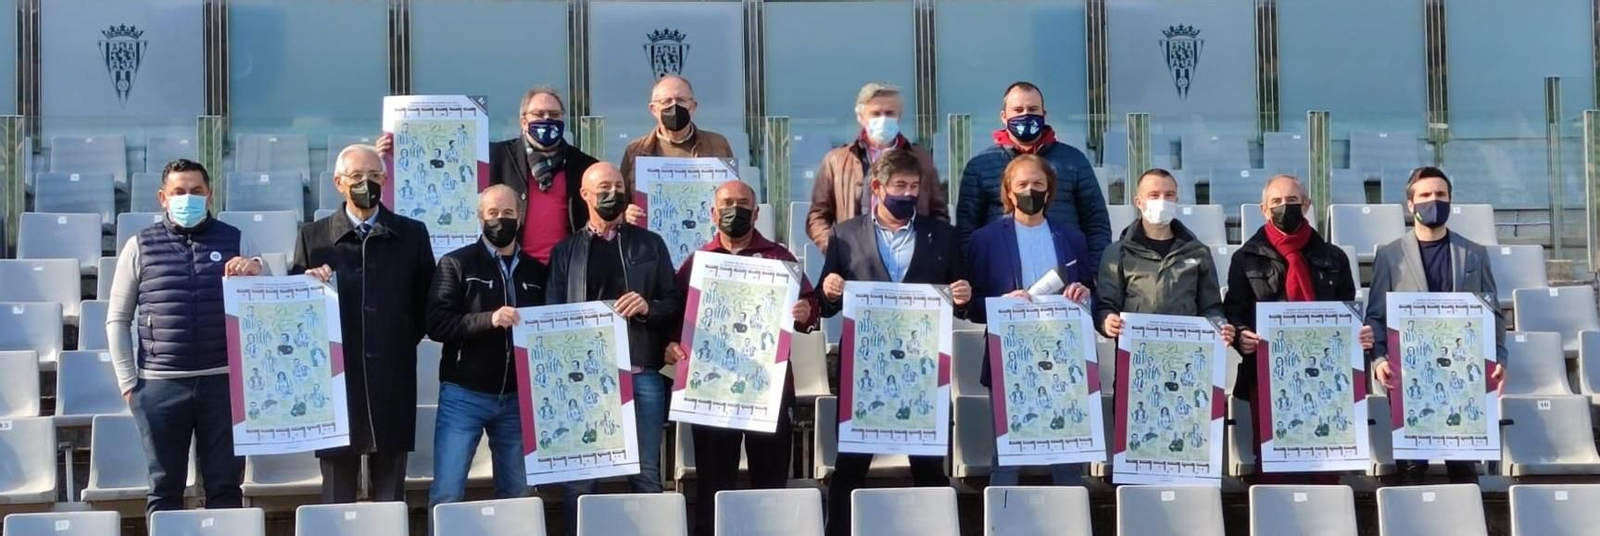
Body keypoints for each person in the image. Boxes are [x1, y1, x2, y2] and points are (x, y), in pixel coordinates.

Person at [817, 149, 972, 536]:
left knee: (927, 467)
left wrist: (965, 294)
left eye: (914, 187)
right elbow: (825, 305)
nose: (908, 194)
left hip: (923, 369)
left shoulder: (943, 236)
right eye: (899, 186)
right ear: (877, 187)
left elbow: (964, 301)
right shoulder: (845, 235)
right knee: (851, 465)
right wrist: (830, 290)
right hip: (865, 372)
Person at [106, 159, 265, 516]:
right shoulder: (139, 245)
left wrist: (257, 272)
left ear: (209, 194)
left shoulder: (236, 238)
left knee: (225, 486)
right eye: (179, 192)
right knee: (164, 490)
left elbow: (268, 302)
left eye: (196, 191)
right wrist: (130, 385)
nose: (187, 198)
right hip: (160, 387)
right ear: (163, 197)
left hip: (223, 384)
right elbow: (117, 319)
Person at [662, 180, 819, 536]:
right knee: (714, 485)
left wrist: (804, 310)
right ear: (713, 213)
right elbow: (676, 318)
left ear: (756, 211)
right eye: (728, 203)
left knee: (769, 483)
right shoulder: (697, 262)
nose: (736, 210)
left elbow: (812, 309)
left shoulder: (780, 259)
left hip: (768, 391)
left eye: (743, 203)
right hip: (711, 393)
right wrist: (672, 345)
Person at [292, 144, 436, 503]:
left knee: (390, 494)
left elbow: (425, 307)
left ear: (385, 181)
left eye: (373, 176)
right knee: (337, 497)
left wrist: (394, 338)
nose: (366, 183)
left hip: (392, 377)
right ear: (339, 183)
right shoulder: (313, 237)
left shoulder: (412, 234)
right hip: (335, 383)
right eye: (357, 177)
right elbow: (296, 315)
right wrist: (306, 286)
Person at [546, 162, 683, 534]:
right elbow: (552, 314)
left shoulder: (650, 243)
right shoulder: (566, 251)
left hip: (641, 374)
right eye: (603, 187)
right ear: (585, 195)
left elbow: (673, 302)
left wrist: (648, 307)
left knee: (646, 473)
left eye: (619, 186)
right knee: (581, 479)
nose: (613, 193)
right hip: (586, 382)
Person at [1222, 174, 1373, 481]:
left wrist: (1360, 333)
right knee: (1274, 469)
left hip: (1327, 379)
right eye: (1276, 202)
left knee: (1327, 469)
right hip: (1267, 377)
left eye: (1292, 200)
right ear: (1264, 209)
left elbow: (1347, 313)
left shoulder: (1334, 257)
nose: (1284, 206)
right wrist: (1242, 337)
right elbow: (1234, 311)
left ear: (1306, 204)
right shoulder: (1245, 259)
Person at [1366, 166, 1507, 484]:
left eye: (1441, 195)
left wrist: (1499, 359)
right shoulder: (1389, 256)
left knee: (1464, 467)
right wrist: (1378, 360)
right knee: (1412, 467)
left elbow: (1493, 313)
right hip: (1410, 376)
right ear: (1410, 204)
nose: (1434, 201)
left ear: (1451, 201)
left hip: (1462, 376)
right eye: (1426, 195)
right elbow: (1376, 316)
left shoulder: (1474, 253)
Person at [965, 154, 1093, 486]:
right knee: (1007, 458)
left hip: (1063, 359)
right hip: (1008, 359)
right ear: (1008, 192)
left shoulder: (1073, 238)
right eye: (1022, 184)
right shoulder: (985, 240)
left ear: (1049, 191)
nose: (1030, 191)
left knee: (1067, 457)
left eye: (1038, 184)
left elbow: (1089, 292)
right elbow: (970, 306)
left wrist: (1082, 293)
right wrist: (1000, 304)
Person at [424, 185, 547, 507]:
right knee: (448, 492)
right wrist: (488, 320)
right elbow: (437, 325)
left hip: (517, 399)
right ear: (480, 218)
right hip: (464, 394)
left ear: (519, 218)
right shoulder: (455, 264)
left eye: (508, 213)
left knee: (519, 493)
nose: (500, 220)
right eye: (492, 213)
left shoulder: (537, 272)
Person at [956, 81, 1110, 266]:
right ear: (1004, 117)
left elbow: (1096, 222)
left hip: (1066, 275)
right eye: (1018, 110)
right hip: (1002, 277)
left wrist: (1093, 272)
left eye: (1033, 109)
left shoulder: (1074, 161)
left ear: (1044, 115)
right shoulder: (981, 166)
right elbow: (967, 231)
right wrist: (974, 277)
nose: (1025, 115)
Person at [1095, 168, 1235, 342]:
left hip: (1185, 351)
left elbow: (1211, 306)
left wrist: (1220, 325)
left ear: (1176, 199)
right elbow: (1105, 305)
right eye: (1154, 195)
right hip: (1136, 354)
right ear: (1139, 202)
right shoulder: (1117, 253)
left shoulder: (1199, 252)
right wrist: (1107, 321)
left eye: (1169, 195)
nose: (1162, 201)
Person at [806, 83, 948, 251]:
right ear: (861, 117)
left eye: (889, 113)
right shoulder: (837, 160)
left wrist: (930, 248)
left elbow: (939, 211)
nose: (883, 119)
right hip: (856, 259)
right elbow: (818, 215)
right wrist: (836, 249)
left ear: (899, 116)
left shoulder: (920, 158)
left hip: (911, 257)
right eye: (875, 114)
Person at [619, 75, 736, 224]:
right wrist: (627, 213)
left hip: (706, 239)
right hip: (651, 241)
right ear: (654, 109)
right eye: (666, 101)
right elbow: (621, 202)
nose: (674, 106)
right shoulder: (635, 151)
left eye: (681, 100)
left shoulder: (717, 144)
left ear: (693, 107)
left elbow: (733, 195)